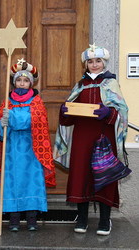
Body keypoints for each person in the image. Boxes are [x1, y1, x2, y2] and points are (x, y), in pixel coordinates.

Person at [54, 44, 128, 236]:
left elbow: (122, 112)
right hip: (82, 138)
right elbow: (69, 118)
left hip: (105, 138)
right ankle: (83, 218)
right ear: (85, 64)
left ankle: (105, 220)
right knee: (81, 175)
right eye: (90, 61)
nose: (94, 64)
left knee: (106, 176)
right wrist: (65, 112)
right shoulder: (80, 85)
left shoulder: (111, 84)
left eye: (97, 61)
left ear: (103, 63)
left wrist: (109, 113)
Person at [0, 59, 56, 231]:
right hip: (11, 150)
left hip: (32, 150)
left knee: (31, 182)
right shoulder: (7, 101)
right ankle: (14, 220)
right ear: (14, 82)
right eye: (19, 80)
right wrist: (1, 125)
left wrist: (12, 118)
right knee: (12, 183)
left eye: (26, 80)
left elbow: (33, 123)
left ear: (31, 83)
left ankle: (32, 219)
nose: (22, 83)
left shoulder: (37, 102)